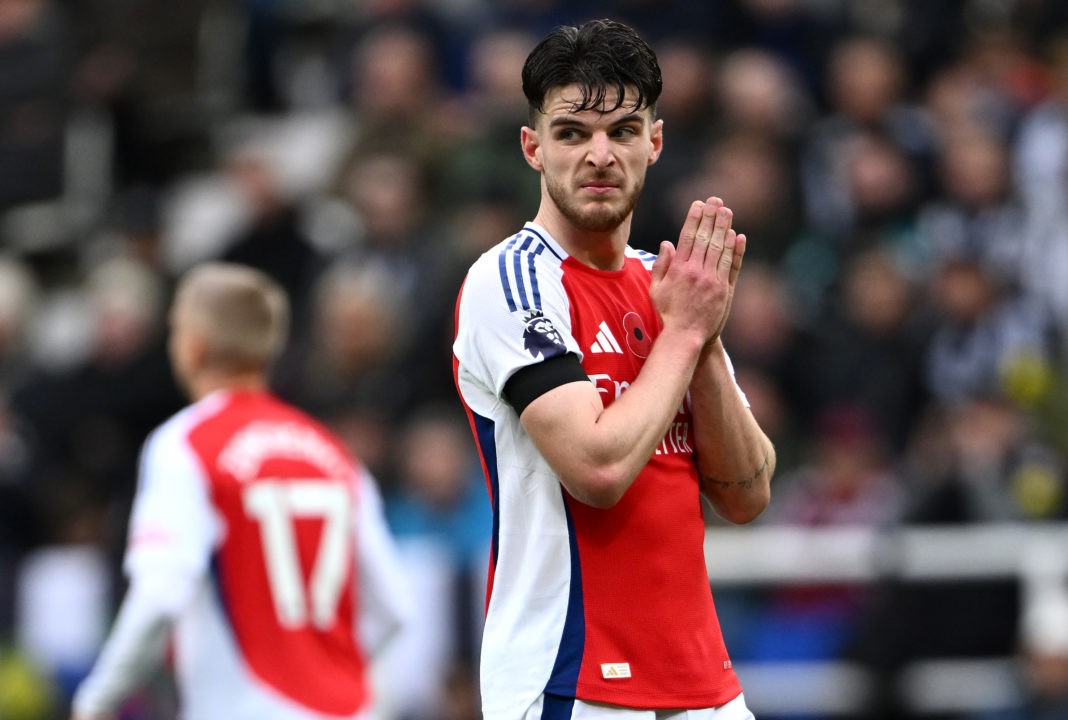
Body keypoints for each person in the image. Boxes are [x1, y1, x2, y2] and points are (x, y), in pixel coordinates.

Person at [452, 18, 776, 720]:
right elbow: (596, 472)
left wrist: (706, 341)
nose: (600, 154)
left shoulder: (664, 287)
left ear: (654, 143)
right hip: (574, 680)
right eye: (572, 133)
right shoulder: (510, 281)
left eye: (623, 131)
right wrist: (685, 333)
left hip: (705, 686)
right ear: (533, 149)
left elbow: (748, 494)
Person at [70, 262, 411, 720]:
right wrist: (325, 672)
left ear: (192, 345)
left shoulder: (187, 443)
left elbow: (160, 594)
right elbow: (394, 608)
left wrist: (97, 700)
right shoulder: (334, 455)